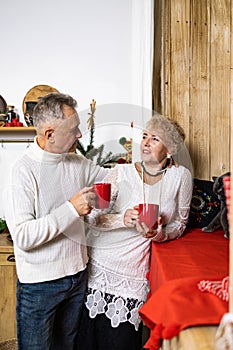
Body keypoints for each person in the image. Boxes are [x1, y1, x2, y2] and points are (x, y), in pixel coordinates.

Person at [76, 113, 193, 350]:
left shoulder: (181, 176)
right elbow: (92, 216)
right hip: (100, 267)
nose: (146, 143)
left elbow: (179, 224)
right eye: (145, 136)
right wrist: (123, 219)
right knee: (87, 342)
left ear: (169, 149)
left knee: (122, 343)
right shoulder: (121, 172)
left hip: (135, 275)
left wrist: (159, 234)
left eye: (155, 139)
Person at [4, 93, 108, 350]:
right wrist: (71, 209)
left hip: (77, 277)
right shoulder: (23, 172)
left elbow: (113, 178)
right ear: (50, 133)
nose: (80, 135)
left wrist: (150, 168)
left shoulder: (77, 162)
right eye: (73, 130)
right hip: (40, 287)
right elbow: (24, 237)